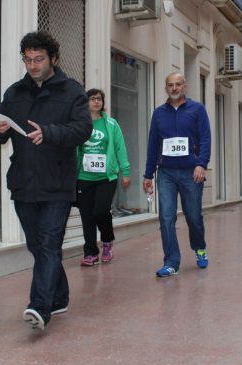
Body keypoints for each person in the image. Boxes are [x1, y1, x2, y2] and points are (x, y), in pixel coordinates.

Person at [0, 31, 91, 331]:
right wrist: (0, 128)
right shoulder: (15, 92)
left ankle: (39, 306)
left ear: (53, 58)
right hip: (23, 181)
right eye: (28, 60)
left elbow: (82, 129)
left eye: (39, 59)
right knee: (37, 245)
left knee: (48, 244)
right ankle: (59, 296)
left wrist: (50, 132)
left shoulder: (72, 91)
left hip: (57, 183)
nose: (33, 65)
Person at [143, 72, 211, 277]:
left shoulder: (197, 110)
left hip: (191, 172)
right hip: (166, 173)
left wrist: (201, 164)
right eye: (170, 85)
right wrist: (148, 174)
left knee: (193, 217)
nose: (174, 88)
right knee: (166, 217)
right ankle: (171, 261)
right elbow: (153, 145)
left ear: (185, 87)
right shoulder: (158, 113)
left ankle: (199, 248)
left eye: (178, 84)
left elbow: (206, 139)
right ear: (166, 88)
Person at [76, 88, 131, 266]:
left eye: (99, 99)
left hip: (107, 177)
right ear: (86, 102)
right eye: (92, 99)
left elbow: (120, 148)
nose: (96, 102)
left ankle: (107, 241)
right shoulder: (80, 124)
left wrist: (126, 171)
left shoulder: (111, 124)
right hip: (84, 177)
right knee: (86, 216)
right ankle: (90, 252)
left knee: (100, 211)